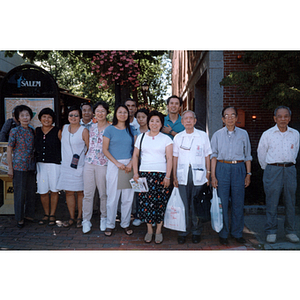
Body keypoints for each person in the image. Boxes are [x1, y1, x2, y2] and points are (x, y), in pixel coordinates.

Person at [257, 106, 299, 244]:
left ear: (289, 118)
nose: (283, 119)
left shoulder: (295, 134)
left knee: (290, 202)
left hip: (290, 169)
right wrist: (267, 168)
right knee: (272, 201)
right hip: (272, 170)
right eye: (279, 116)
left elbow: (295, 152)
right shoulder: (268, 134)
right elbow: (261, 153)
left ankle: (291, 231)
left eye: (286, 116)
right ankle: (271, 231)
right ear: (275, 118)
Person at [210, 106, 252, 246]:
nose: (230, 118)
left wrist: (248, 174)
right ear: (223, 119)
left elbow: (247, 156)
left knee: (238, 202)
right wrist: (213, 176)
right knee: (222, 203)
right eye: (227, 115)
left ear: (236, 118)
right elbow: (213, 156)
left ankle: (237, 233)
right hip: (222, 168)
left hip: (239, 168)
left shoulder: (243, 134)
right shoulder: (217, 135)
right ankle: (223, 233)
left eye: (233, 115)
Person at [132, 110, 173, 244]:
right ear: (148, 122)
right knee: (145, 203)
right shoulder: (141, 137)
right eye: (152, 121)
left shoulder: (166, 139)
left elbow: (169, 158)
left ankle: (159, 230)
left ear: (161, 124)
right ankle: (149, 230)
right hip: (144, 174)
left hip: (161, 175)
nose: (154, 124)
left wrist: (168, 176)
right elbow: (136, 156)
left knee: (160, 203)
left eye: (157, 121)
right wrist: (136, 173)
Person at [173, 110, 212, 244]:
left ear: (195, 121)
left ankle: (196, 231)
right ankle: (183, 231)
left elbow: (207, 155)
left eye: (191, 118)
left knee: (196, 205)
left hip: (199, 175)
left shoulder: (202, 136)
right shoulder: (178, 137)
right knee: (183, 205)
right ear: (182, 122)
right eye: (186, 119)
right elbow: (175, 157)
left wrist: (208, 173)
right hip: (182, 175)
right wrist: (174, 176)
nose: (188, 121)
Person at [102, 104, 137, 236]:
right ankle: (110, 224)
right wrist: (117, 163)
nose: (123, 114)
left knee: (128, 197)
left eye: (125, 112)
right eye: (120, 112)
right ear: (116, 114)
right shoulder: (109, 129)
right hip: (114, 165)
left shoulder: (132, 129)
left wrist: (130, 164)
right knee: (112, 196)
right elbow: (105, 149)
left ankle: (125, 224)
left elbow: (136, 148)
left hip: (129, 165)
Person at [56, 105, 89, 228]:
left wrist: (80, 160)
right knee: (69, 192)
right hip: (66, 166)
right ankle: (71, 217)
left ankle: (80, 217)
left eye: (76, 115)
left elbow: (88, 147)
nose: (73, 117)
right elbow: (62, 142)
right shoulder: (63, 129)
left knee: (80, 192)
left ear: (80, 117)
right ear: (67, 116)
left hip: (80, 166)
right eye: (71, 115)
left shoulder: (84, 130)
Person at [82, 101, 110, 234]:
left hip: (104, 164)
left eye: (102, 111)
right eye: (97, 111)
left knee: (103, 194)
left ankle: (104, 218)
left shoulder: (111, 128)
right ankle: (86, 220)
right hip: (89, 163)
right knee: (88, 194)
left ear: (107, 113)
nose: (100, 113)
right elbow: (88, 145)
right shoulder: (90, 128)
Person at [7, 105, 36, 228]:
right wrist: (10, 167)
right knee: (19, 193)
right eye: (22, 115)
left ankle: (28, 215)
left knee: (30, 191)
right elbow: (9, 150)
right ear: (17, 118)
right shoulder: (14, 131)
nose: (25, 118)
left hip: (30, 166)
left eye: (27, 115)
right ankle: (19, 218)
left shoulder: (31, 130)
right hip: (18, 166)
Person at [35, 108, 62, 226]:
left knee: (54, 190)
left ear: (53, 119)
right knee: (43, 190)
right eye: (44, 117)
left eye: (49, 117)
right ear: (40, 118)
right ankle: (46, 214)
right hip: (40, 165)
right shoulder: (36, 131)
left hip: (55, 165)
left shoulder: (58, 131)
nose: (46, 119)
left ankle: (52, 215)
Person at [132, 108, 150, 227]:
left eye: (143, 117)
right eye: (138, 117)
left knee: (150, 191)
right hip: (138, 164)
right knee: (139, 191)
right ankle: (139, 215)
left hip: (150, 165)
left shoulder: (152, 130)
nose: (141, 119)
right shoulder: (134, 131)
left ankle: (149, 215)